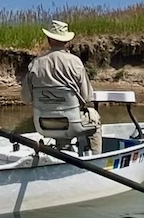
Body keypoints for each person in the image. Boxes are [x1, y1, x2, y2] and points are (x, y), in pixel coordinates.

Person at [21, 19, 103, 155]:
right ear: (66, 41)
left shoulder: (35, 64)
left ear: (48, 39)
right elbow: (87, 96)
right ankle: (95, 159)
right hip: (72, 123)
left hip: (43, 125)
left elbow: (25, 98)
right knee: (94, 116)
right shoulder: (75, 62)